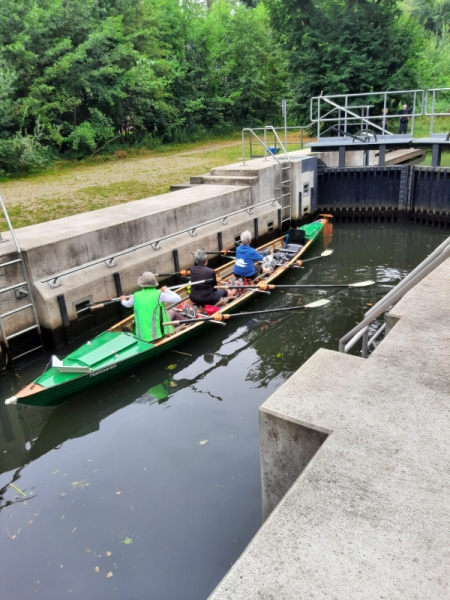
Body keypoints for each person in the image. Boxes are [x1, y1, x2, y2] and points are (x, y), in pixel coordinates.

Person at [120, 271, 181, 341]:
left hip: (142, 335)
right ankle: (188, 322)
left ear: (141, 284)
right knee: (172, 312)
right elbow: (178, 298)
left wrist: (123, 300)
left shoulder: (136, 296)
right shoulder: (159, 295)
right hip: (157, 335)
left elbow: (127, 305)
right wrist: (167, 290)